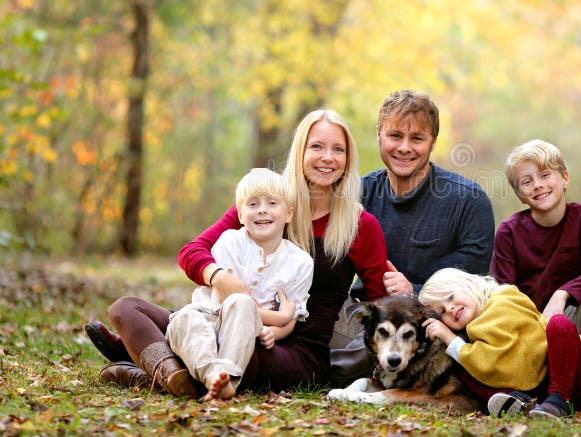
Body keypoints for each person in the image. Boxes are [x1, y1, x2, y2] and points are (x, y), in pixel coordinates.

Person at [85, 109, 392, 395]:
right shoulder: (266, 203)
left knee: (236, 353)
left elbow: (379, 304)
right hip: (223, 322)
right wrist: (218, 277)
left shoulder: (360, 225)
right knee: (127, 308)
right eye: (317, 147)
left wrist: (407, 293)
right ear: (300, 151)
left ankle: (144, 366)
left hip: (292, 349)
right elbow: (193, 251)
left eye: (338, 149)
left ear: (348, 159)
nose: (327, 158)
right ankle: (165, 371)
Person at [329, 89, 496, 383]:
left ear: (432, 142)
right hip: (365, 315)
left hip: (431, 323)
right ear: (379, 135)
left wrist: (415, 291)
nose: (404, 147)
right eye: (395, 136)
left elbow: (472, 288)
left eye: (417, 138)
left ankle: (336, 369)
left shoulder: (468, 201)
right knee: (313, 325)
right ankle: (321, 363)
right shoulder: (356, 194)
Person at [490, 139, 581, 405]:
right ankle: (540, 378)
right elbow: (506, 293)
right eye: (527, 181)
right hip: (532, 327)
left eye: (545, 175)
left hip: (573, 318)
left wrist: (563, 293)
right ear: (520, 193)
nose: (538, 185)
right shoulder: (509, 231)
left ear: (564, 179)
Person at [165, 168, 313, 400]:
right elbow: (226, 303)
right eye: (252, 204)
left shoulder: (300, 262)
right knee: (184, 319)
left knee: (243, 306)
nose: (262, 209)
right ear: (241, 215)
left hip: (242, 329)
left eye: (272, 203)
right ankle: (214, 376)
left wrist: (276, 331)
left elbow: (292, 317)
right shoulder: (230, 242)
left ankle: (225, 379)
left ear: (289, 214)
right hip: (208, 316)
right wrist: (279, 317)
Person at [419, 268, 581, 418]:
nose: (449, 309)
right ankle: (517, 403)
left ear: (469, 284)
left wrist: (451, 338)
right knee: (462, 365)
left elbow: (526, 342)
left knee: (559, 324)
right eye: (441, 311)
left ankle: (557, 401)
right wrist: (451, 340)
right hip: (527, 396)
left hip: (566, 387)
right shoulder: (471, 334)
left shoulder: (505, 298)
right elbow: (484, 362)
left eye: (450, 297)